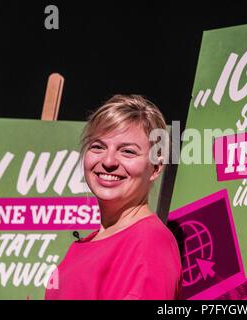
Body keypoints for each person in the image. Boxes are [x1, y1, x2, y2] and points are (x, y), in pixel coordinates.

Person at [45, 94, 182, 300]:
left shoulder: (149, 243)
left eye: (127, 151)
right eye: (98, 147)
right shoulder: (95, 239)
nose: (108, 161)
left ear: (155, 168)